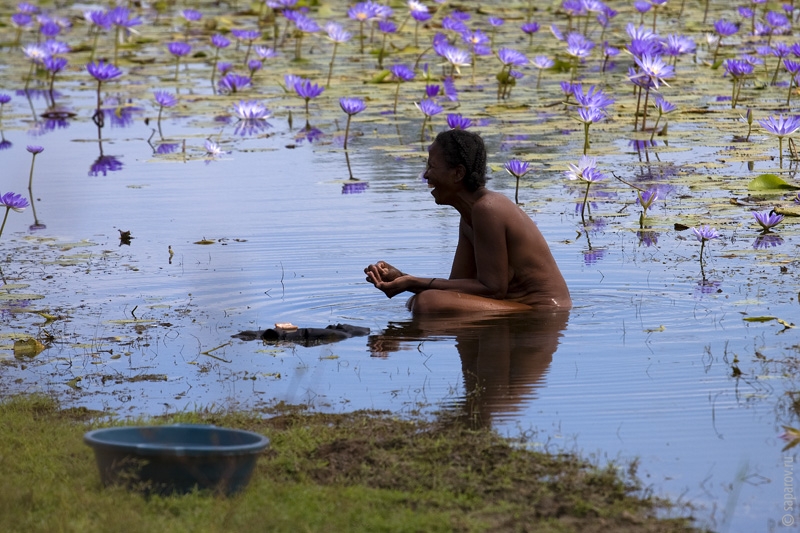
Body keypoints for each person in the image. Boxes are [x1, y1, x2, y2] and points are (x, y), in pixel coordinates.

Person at [364, 129, 571, 314]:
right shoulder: (469, 216)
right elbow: (456, 286)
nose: (426, 175)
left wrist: (413, 281)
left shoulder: (488, 208)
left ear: (458, 173)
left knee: (427, 303)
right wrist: (402, 278)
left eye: (432, 166)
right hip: (518, 306)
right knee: (418, 301)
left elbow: (493, 289)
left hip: (544, 311)